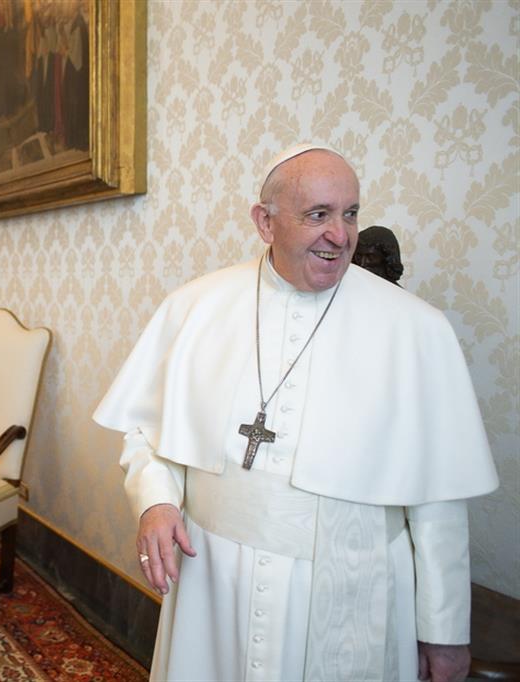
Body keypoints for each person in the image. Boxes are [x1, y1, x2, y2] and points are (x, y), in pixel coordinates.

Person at [94, 144, 498, 682]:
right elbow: (145, 430)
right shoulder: (195, 307)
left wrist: (444, 633)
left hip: (352, 586)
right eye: (318, 215)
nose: (340, 234)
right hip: (213, 582)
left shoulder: (415, 329)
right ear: (265, 222)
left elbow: (439, 500)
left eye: (350, 213)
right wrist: (156, 503)